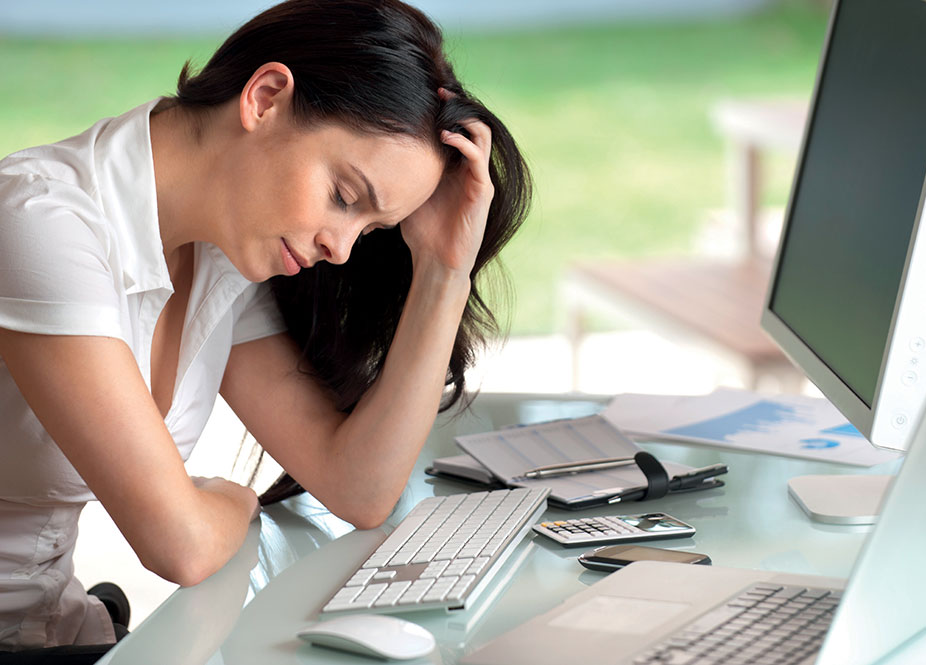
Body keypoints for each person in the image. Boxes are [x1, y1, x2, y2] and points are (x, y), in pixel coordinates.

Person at [0, 0, 531, 658]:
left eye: (370, 230)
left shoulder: (222, 256)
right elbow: (182, 545)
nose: (341, 247)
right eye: (344, 195)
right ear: (267, 95)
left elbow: (359, 487)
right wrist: (235, 500)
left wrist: (445, 271)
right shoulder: (39, 224)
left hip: (59, 633)